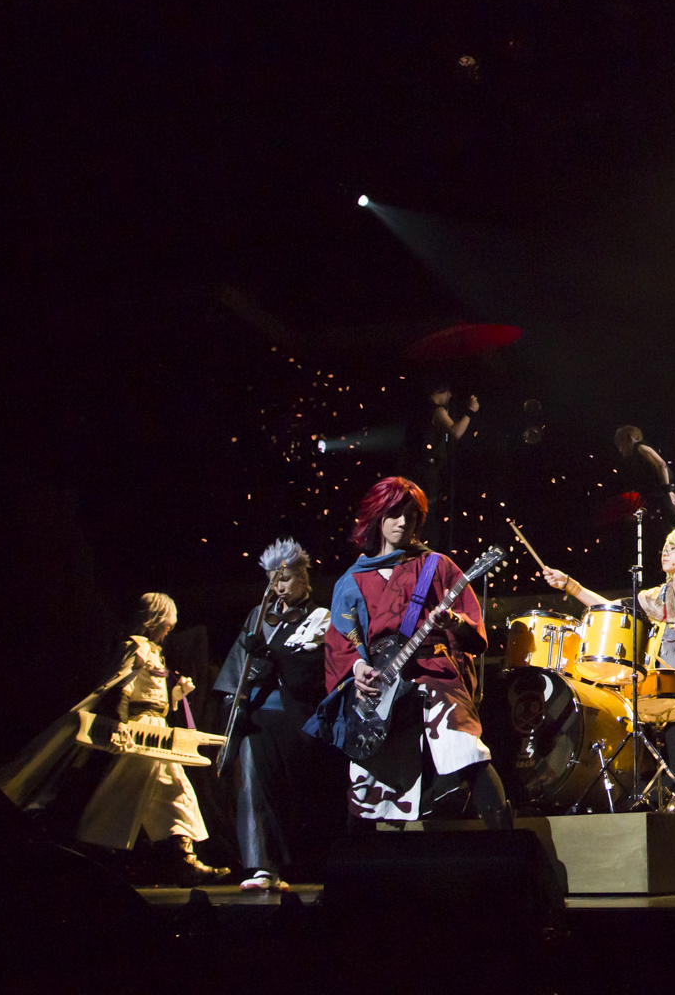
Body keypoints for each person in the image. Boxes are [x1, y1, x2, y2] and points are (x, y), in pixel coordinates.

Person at [322, 477, 512, 829]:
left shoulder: (436, 566)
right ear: (376, 516)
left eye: (411, 516)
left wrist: (453, 621)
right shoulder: (351, 582)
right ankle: (356, 863)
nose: (403, 523)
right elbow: (341, 642)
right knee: (366, 784)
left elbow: (473, 632)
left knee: (466, 749)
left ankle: (507, 844)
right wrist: (359, 669)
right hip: (380, 689)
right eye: (394, 514)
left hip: (434, 673)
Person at [543, 528, 675, 811]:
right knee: (655, 732)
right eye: (664, 548)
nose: (664, 553)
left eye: (672, 548)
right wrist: (570, 585)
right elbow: (610, 608)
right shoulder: (658, 597)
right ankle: (664, 798)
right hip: (664, 689)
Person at [74, 593, 231, 883]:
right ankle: (94, 853)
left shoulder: (154, 651)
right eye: (167, 625)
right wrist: (119, 722)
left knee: (173, 790)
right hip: (141, 729)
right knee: (128, 789)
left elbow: (153, 694)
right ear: (155, 620)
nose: (169, 630)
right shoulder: (135, 647)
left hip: (157, 728)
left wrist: (177, 693)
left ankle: (185, 861)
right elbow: (121, 686)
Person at [214, 538, 342, 891]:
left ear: (302, 576)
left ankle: (297, 865)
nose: (279, 588)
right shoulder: (259, 615)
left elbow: (311, 670)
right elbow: (237, 667)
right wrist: (233, 707)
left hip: (295, 717)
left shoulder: (319, 617)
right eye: (273, 581)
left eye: (284, 579)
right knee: (251, 781)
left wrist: (272, 654)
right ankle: (261, 866)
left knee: (294, 792)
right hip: (256, 713)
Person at [402, 380, 480, 547]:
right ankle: (425, 548)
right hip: (427, 470)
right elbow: (455, 432)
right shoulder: (437, 410)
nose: (450, 396)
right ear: (440, 391)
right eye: (448, 392)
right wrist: (470, 412)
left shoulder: (422, 409)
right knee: (428, 511)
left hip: (419, 467)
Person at [615, 425, 675, 531]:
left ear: (629, 439)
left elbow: (661, 464)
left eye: (621, 444)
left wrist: (668, 490)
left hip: (663, 491)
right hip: (657, 494)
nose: (620, 449)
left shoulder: (640, 448)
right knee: (667, 525)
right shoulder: (634, 458)